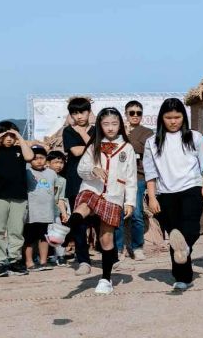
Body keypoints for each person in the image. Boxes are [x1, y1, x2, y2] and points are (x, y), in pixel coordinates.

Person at [143, 98, 203, 291]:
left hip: (192, 188)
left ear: (183, 117)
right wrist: (152, 197)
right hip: (165, 193)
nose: (173, 121)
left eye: (177, 117)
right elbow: (150, 173)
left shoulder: (195, 137)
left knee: (190, 229)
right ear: (162, 118)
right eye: (169, 117)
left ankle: (186, 248)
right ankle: (183, 276)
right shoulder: (152, 142)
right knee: (175, 234)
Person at [69, 108, 138, 295]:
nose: (110, 128)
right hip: (92, 188)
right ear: (100, 125)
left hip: (114, 195)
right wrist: (93, 170)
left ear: (120, 125)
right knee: (82, 207)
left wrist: (130, 201)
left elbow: (131, 177)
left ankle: (106, 279)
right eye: (106, 124)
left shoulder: (127, 148)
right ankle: (65, 230)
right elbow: (81, 169)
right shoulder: (93, 146)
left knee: (106, 238)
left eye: (114, 124)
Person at [0, 121, 34, 276]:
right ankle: (0, 262)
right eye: (5, 135)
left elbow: (30, 156)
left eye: (11, 135)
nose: (8, 138)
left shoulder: (20, 149)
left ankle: (14, 260)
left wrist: (19, 136)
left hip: (18, 196)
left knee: (16, 230)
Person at [62, 97, 95, 274]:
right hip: (75, 181)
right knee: (79, 223)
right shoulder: (68, 131)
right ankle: (83, 260)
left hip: (95, 181)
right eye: (74, 112)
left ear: (89, 112)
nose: (79, 116)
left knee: (99, 220)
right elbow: (76, 151)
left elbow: (98, 149)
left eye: (82, 111)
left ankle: (110, 256)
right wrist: (80, 132)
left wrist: (82, 133)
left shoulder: (97, 130)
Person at [120, 100, 153, 261]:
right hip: (117, 178)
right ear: (125, 114)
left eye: (138, 113)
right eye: (131, 113)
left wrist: (125, 137)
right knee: (116, 214)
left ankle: (137, 247)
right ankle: (118, 248)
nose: (135, 116)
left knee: (137, 214)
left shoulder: (147, 132)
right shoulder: (117, 130)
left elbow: (142, 150)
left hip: (138, 177)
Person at [23, 146, 60, 271]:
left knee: (44, 238)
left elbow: (55, 189)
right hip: (31, 213)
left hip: (46, 212)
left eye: (42, 158)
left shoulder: (51, 173)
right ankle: (29, 262)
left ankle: (43, 261)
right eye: (35, 158)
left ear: (46, 159)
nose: (39, 161)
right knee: (29, 238)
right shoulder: (27, 172)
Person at [45, 150, 69, 266]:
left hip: (54, 212)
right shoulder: (42, 177)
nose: (59, 165)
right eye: (55, 162)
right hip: (41, 212)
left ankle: (61, 255)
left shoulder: (62, 180)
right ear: (48, 163)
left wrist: (64, 213)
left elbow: (61, 198)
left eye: (61, 162)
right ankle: (44, 256)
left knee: (58, 234)